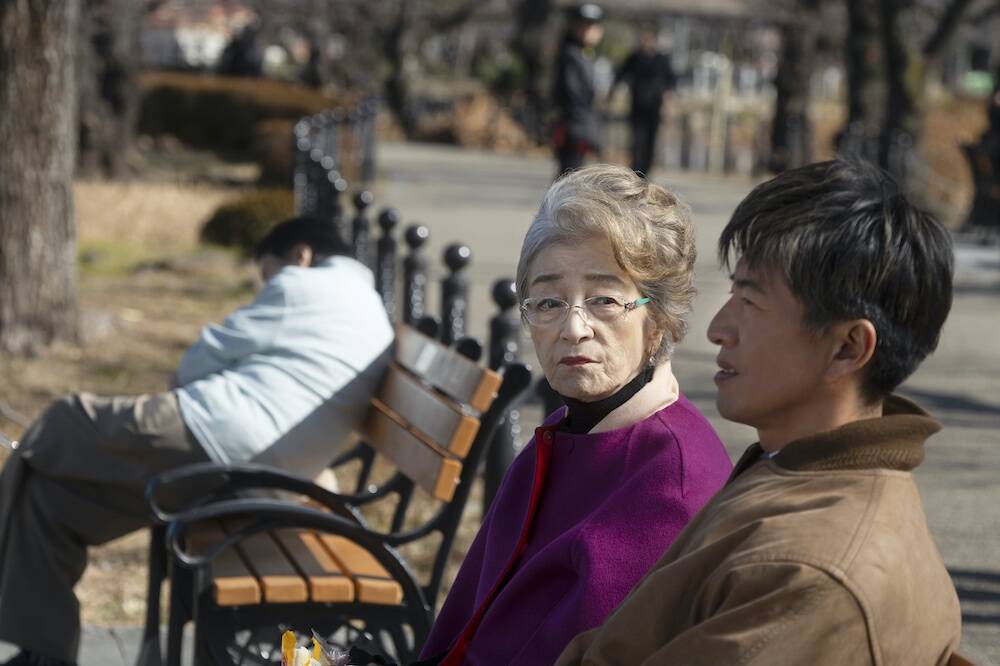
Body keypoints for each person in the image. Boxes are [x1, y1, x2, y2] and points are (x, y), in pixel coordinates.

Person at [555, 160, 964, 665]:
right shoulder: (791, 471)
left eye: (751, 302)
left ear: (847, 348)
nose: (718, 329)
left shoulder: (810, 573)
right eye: (733, 293)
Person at [0, 217, 394, 666]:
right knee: (48, 499)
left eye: (266, 273)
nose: (267, 284)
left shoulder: (301, 287)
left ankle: (40, 638)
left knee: (63, 420)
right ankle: (43, 656)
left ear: (300, 255)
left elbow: (192, 367)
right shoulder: (367, 307)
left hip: (217, 438)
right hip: (264, 471)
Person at [416, 165, 732, 665]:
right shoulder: (570, 430)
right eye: (548, 301)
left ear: (659, 318)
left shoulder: (669, 483)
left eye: (604, 299)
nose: (573, 327)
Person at [610, 23, 676, 178]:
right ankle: (636, 172)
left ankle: (646, 172)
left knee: (651, 142)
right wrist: (612, 94)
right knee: (637, 142)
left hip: (654, 108)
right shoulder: (634, 57)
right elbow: (621, 75)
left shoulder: (662, 59)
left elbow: (672, 79)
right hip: (637, 107)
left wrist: (670, 95)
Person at [552, 4, 605, 176]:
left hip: (578, 127)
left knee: (571, 178)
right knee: (569, 178)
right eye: (585, 26)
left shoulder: (584, 54)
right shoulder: (571, 56)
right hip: (573, 129)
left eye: (593, 27)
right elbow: (574, 96)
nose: (590, 31)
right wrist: (585, 131)